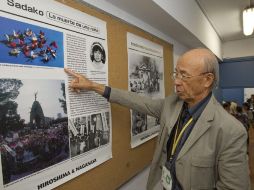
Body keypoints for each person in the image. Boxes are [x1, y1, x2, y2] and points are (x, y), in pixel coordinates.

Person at [65, 48, 250, 190]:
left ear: (207, 80)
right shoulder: (172, 104)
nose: (176, 81)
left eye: (184, 75)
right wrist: (94, 86)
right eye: (176, 73)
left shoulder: (230, 131)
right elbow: (139, 102)